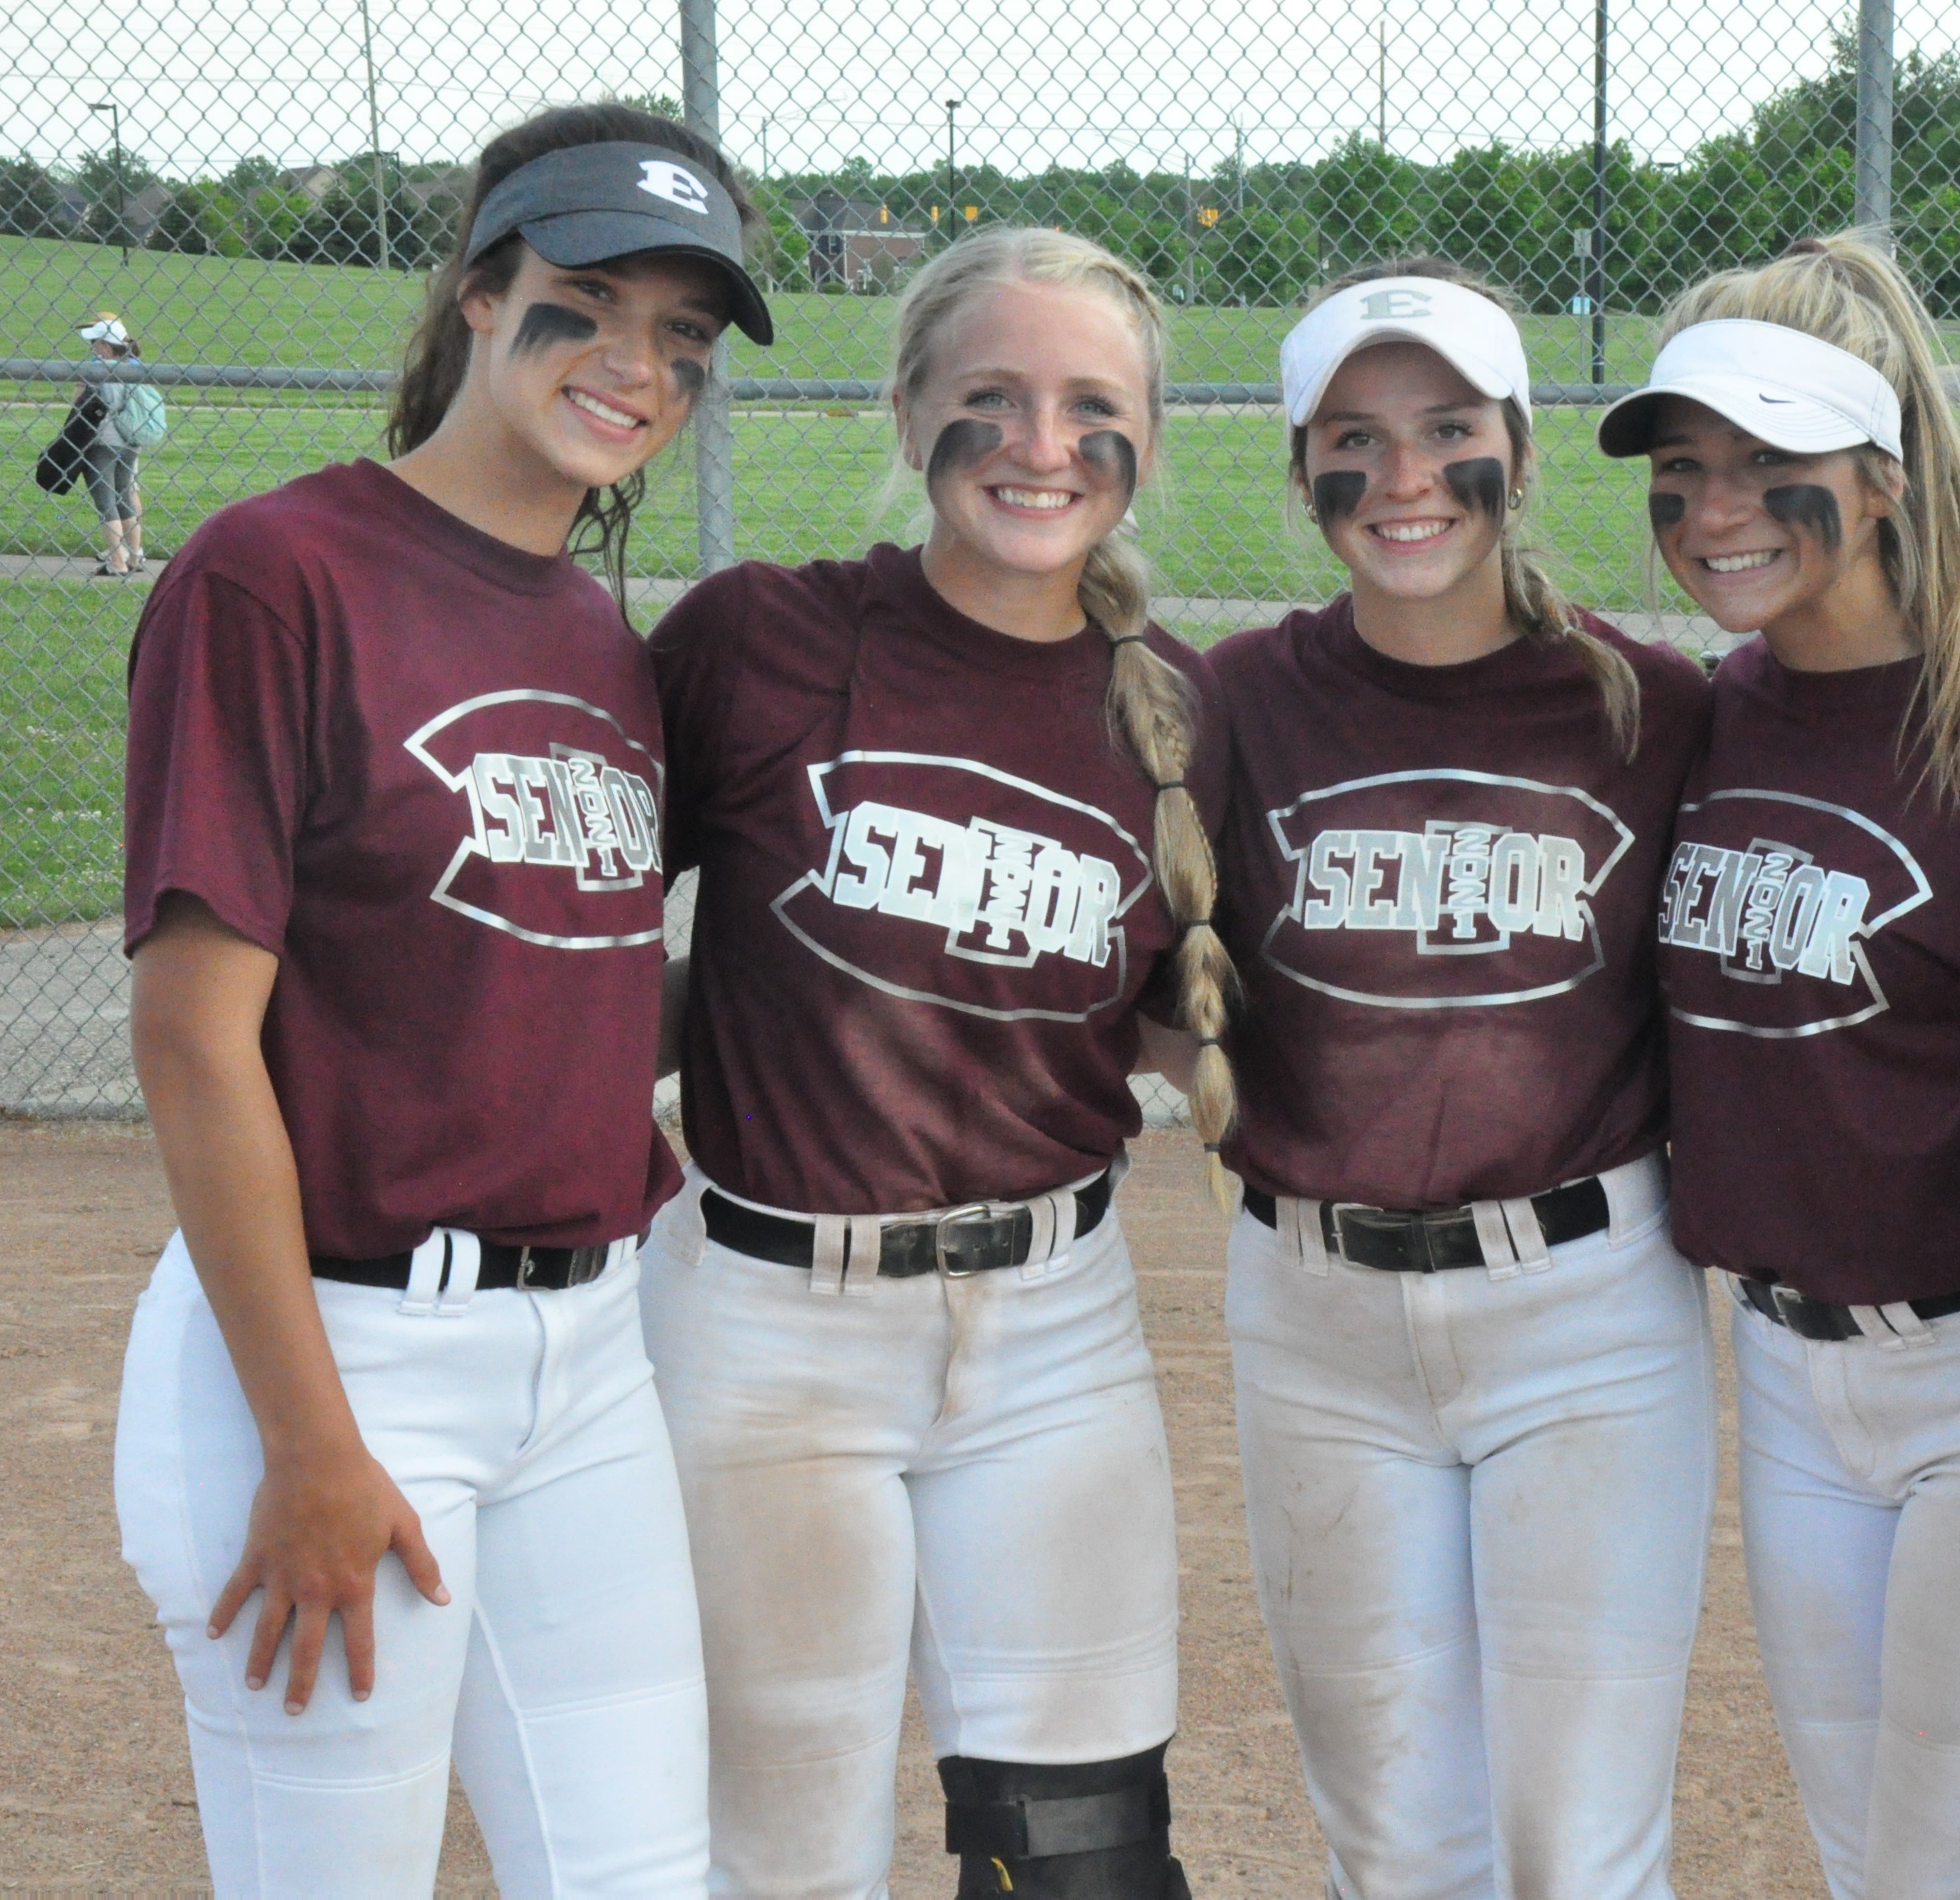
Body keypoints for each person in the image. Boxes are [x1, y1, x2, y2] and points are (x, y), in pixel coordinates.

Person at [112, 103, 774, 1894]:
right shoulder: (277, 575)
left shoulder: (595, 639)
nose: (635, 366)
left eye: (683, 342)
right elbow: (190, 1033)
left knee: (640, 1871)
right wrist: (311, 1440)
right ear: (479, 297)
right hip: (337, 1349)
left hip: (587, 1359)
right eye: (586, 302)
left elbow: (539, 990)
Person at [637, 223, 1223, 1899]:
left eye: (1091, 406)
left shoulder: (1173, 707)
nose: (1043, 445)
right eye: (993, 397)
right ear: (906, 412)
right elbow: (584, 925)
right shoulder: (761, 638)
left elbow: (1179, 1005)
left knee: (1087, 1858)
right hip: (764, 1323)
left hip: (1055, 1328)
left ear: (1145, 444)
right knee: (782, 1848)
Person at [1598, 232, 1960, 1900]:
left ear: (1882, 472)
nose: (1713, 514)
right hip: (1776, 1366)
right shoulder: (1699, 718)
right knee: (1863, 1851)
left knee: (1959, 1866)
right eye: (1682, 473)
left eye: (1768, 468)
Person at [1210, 260, 1715, 1900]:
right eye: (1353, 437)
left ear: (1517, 444)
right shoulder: (1232, 704)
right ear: (1300, 472)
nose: (1404, 476)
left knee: (1579, 1843)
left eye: (1446, 426)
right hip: (1313, 1315)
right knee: (1395, 1836)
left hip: (1579, 1308)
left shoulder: (1651, 705)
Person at [77, 312, 147, 576]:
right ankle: (134, 556)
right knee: (125, 496)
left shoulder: (96, 368)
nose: (93, 347)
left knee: (106, 500)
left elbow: (78, 403)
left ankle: (117, 562)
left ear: (106, 346)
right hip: (130, 441)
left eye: (96, 342)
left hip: (103, 442)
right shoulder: (135, 365)